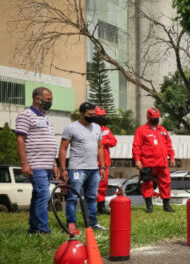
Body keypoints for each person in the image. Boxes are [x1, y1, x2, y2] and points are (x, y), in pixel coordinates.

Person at [15, 87, 59, 234]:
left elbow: (50, 141)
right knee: (43, 195)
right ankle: (42, 229)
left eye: (51, 99)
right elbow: (20, 140)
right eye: (48, 99)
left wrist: (54, 164)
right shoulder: (25, 115)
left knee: (37, 196)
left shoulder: (46, 118)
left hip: (47, 165)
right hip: (36, 164)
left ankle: (34, 228)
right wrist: (24, 163)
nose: (50, 102)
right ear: (36, 99)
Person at [58, 102, 106, 231]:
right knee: (73, 197)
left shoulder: (97, 128)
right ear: (82, 114)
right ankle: (71, 224)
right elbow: (63, 148)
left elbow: (100, 148)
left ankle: (92, 223)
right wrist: (63, 169)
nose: (92, 116)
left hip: (94, 170)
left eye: (94, 114)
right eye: (90, 114)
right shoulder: (71, 128)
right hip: (77, 169)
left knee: (92, 197)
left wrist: (102, 167)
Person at [132, 107, 176, 213]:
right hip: (147, 163)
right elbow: (136, 146)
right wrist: (137, 160)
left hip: (162, 163)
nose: (156, 119)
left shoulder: (163, 130)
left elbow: (168, 145)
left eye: (157, 117)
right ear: (149, 117)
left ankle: (166, 205)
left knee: (165, 183)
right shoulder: (141, 130)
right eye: (154, 118)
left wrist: (172, 157)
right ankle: (149, 206)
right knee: (147, 184)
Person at [94, 106, 117, 215]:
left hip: (104, 163)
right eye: (99, 116)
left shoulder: (106, 130)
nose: (101, 119)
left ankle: (101, 207)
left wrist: (102, 141)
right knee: (92, 186)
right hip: (92, 162)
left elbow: (113, 142)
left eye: (103, 116)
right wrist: (105, 141)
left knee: (102, 186)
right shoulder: (90, 128)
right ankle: (92, 208)